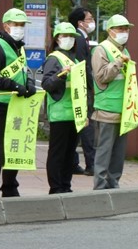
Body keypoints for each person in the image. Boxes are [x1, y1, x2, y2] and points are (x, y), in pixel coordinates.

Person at [0, 8, 36, 198]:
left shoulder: (18, 47)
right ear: (6, 26)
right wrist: (12, 85)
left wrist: (28, 84)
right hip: (0, 105)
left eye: (22, 25)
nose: (20, 28)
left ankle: (10, 187)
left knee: (15, 147)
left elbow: (23, 71)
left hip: (17, 105)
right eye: (16, 25)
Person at [92, 14, 134, 190]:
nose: (125, 32)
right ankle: (100, 186)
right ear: (110, 31)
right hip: (106, 108)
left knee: (118, 152)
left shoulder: (124, 51)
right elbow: (101, 77)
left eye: (126, 29)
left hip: (123, 108)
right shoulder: (102, 49)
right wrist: (117, 62)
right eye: (121, 29)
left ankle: (113, 183)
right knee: (104, 150)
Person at [42, 22, 81, 194]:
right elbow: (47, 84)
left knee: (69, 153)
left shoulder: (76, 60)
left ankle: (66, 185)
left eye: (72, 36)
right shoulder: (53, 59)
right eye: (65, 36)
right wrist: (61, 74)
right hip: (59, 114)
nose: (69, 39)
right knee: (58, 153)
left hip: (75, 113)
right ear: (57, 39)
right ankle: (56, 187)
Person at [68, 7, 96, 176]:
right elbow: (82, 66)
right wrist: (91, 86)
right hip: (82, 88)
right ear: (80, 23)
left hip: (81, 87)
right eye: (89, 19)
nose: (92, 22)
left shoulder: (80, 38)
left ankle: (73, 163)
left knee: (78, 125)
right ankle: (91, 164)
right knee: (86, 125)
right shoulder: (79, 38)